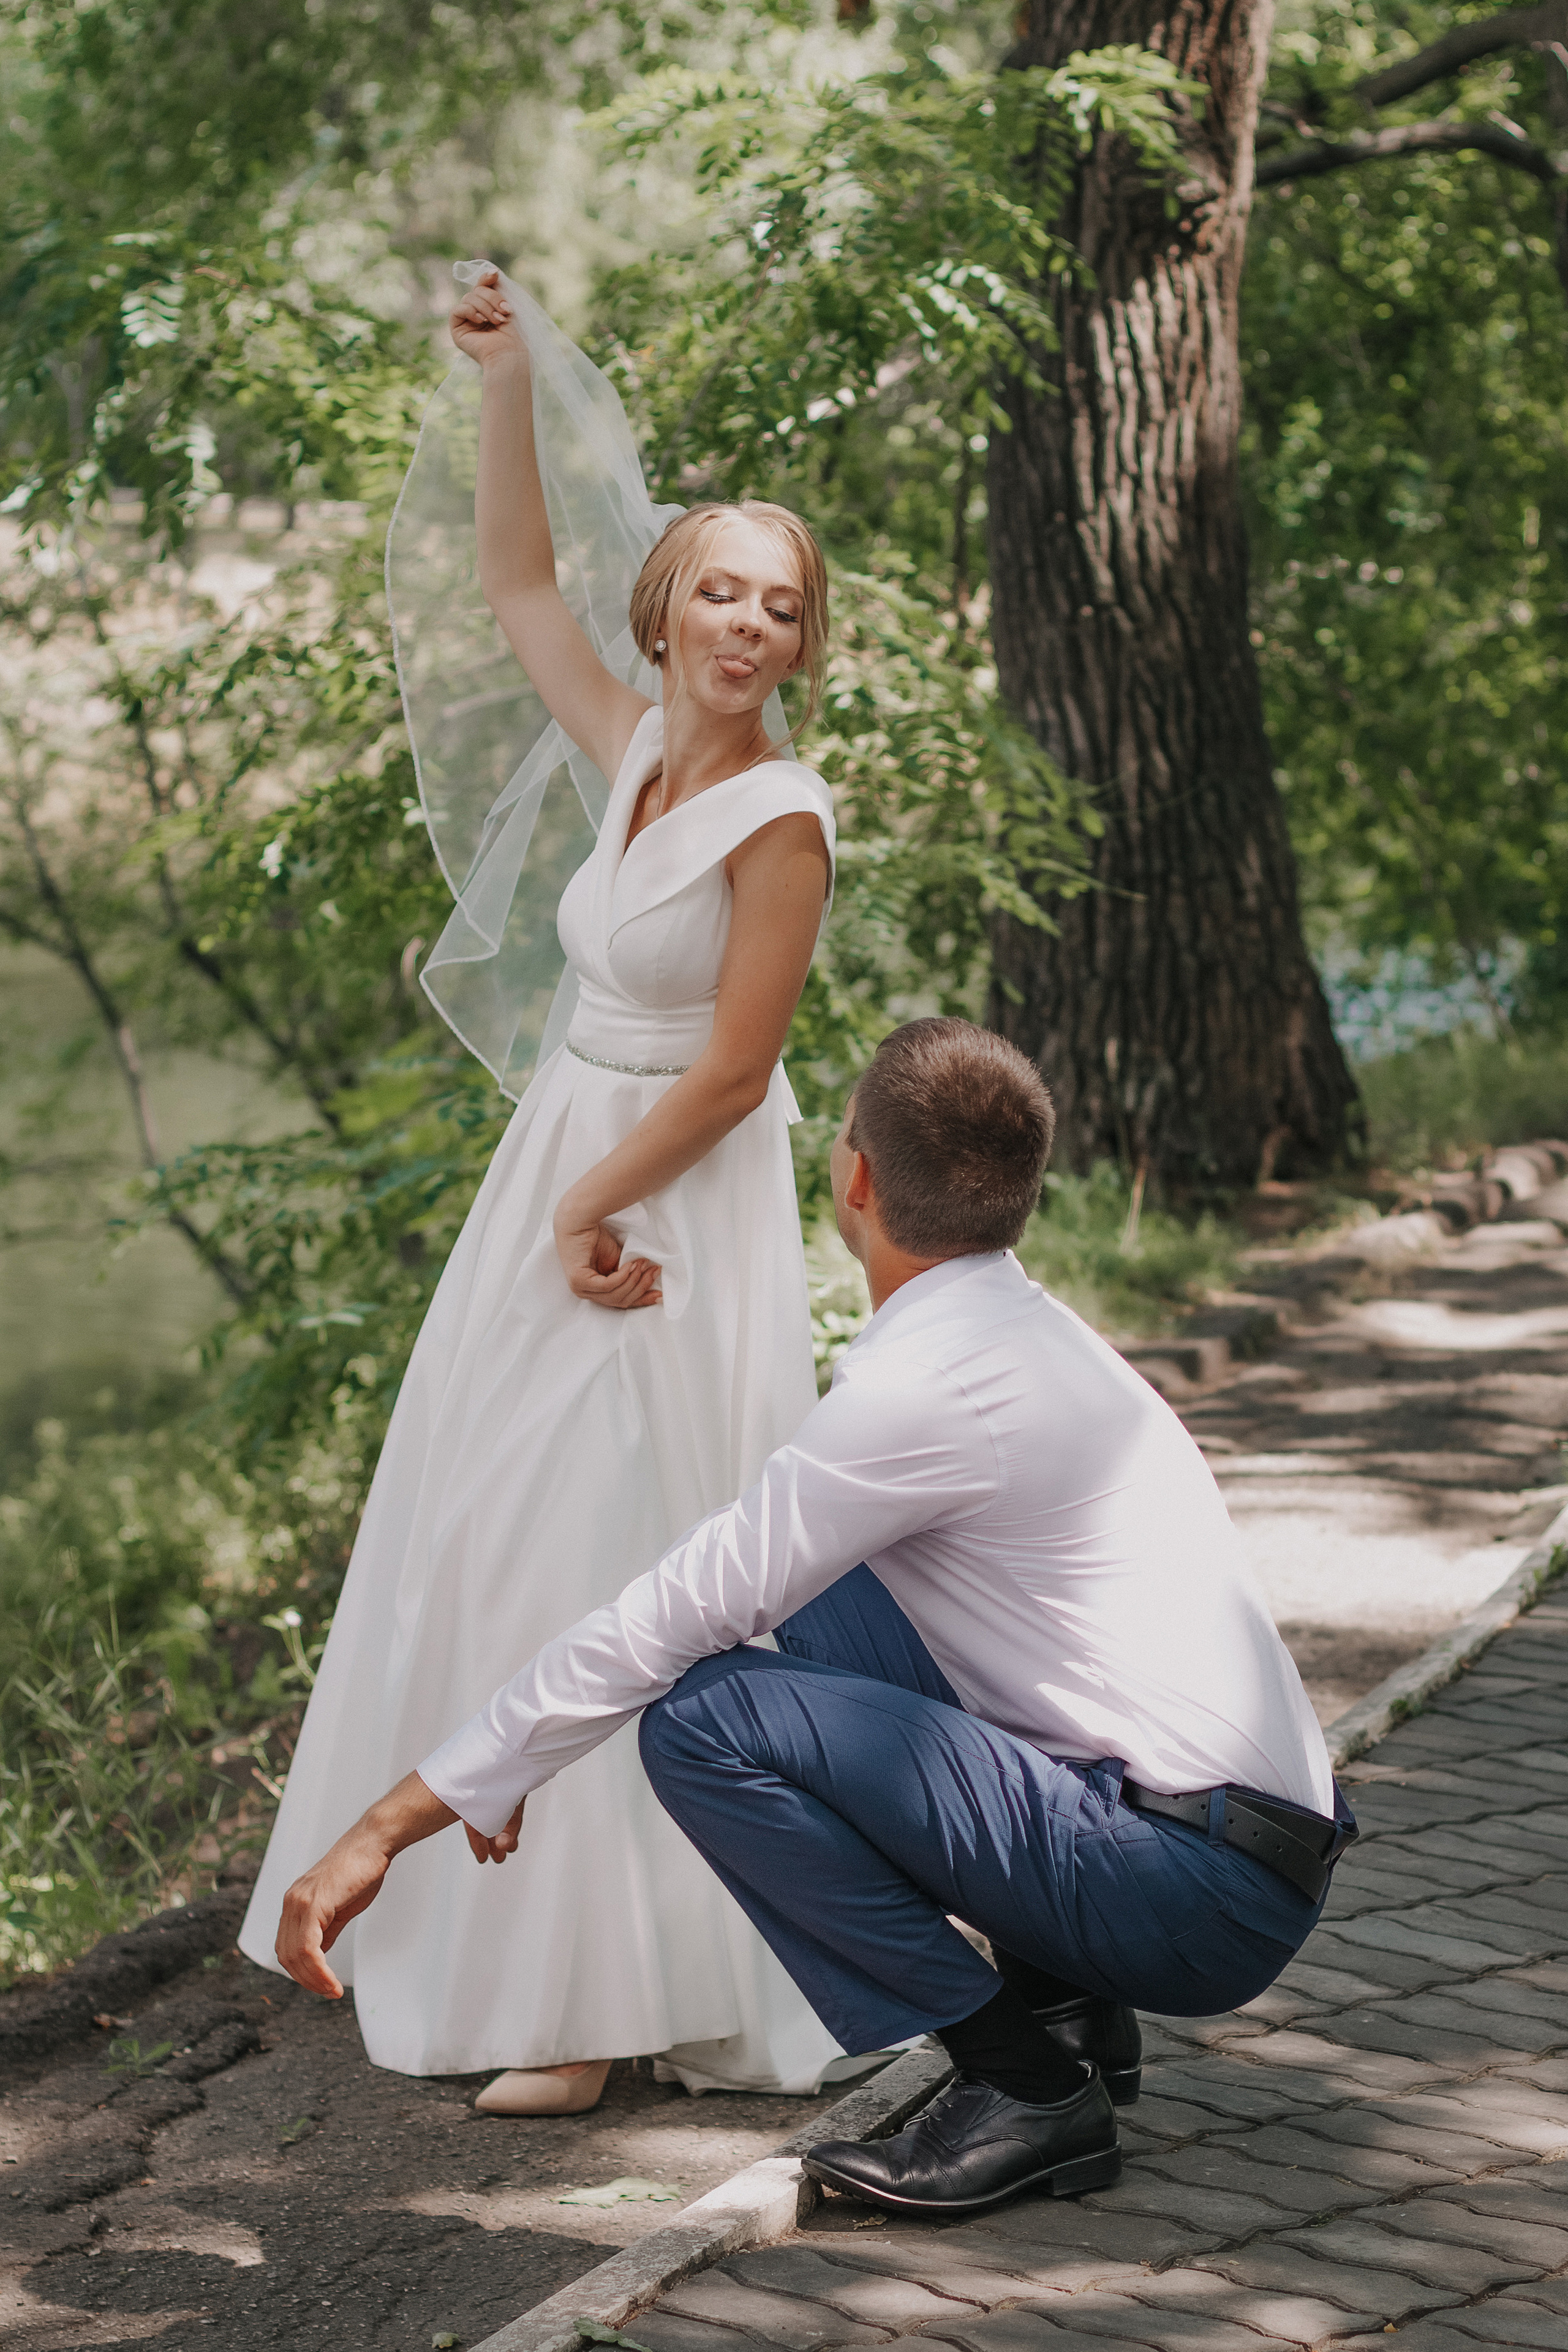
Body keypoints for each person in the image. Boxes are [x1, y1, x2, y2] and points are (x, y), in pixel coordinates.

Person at [273, 1017, 1357, 2215]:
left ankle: (1025, 2090)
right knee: (821, 1582)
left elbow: (667, 1618)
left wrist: (389, 1824)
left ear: (857, 1179)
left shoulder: (920, 1393)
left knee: (703, 1723)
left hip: (1190, 1895)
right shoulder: (1029, 1336)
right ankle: (1065, 2012)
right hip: (1224, 1849)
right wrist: (516, 1757)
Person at [239, 262, 873, 2114]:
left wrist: (592, 1205)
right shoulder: (637, 752)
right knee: (491, 1528)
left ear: (800, 647)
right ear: (665, 605)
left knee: (612, 1550)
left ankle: (600, 2001)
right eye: (721, 590)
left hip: (665, 1201)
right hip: (569, 1175)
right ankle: (483, 1933)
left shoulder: (782, 819)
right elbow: (517, 582)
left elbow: (736, 1071)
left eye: (781, 606)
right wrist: (506, 381)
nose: (746, 624)